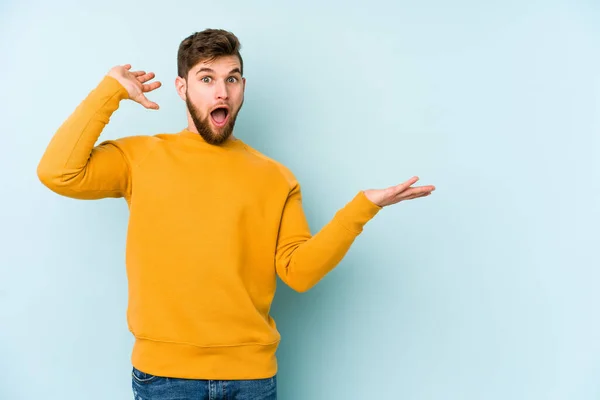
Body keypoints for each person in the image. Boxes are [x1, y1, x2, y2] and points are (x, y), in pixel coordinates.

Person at [36, 28, 435, 400]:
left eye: (233, 78)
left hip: (252, 378)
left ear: (242, 87)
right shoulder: (140, 157)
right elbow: (58, 173)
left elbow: (300, 272)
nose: (221, 91)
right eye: (206, 78)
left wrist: (362, 207)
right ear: (182, 87)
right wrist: (110, 92)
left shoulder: (276, 177)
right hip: (164, 377)